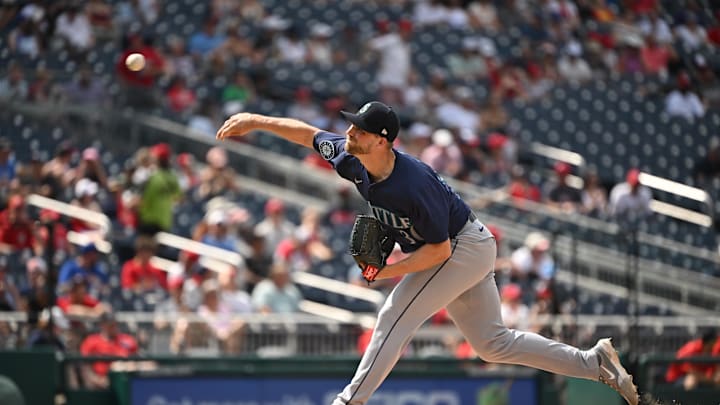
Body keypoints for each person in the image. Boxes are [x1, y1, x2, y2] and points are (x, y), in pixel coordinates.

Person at [216, 101, 639, 405]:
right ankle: (593, 362)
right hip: (458, 250)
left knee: (394, 314)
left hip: (461, 248)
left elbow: (437, 251)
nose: (349, 133)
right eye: (351, 127)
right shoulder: (352, 157)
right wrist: (255, 121)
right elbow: (309, 135)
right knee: (493, 344)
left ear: (382, 141)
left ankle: (349, 401)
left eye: (359, 130)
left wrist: (386, 273)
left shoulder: (412, 183)